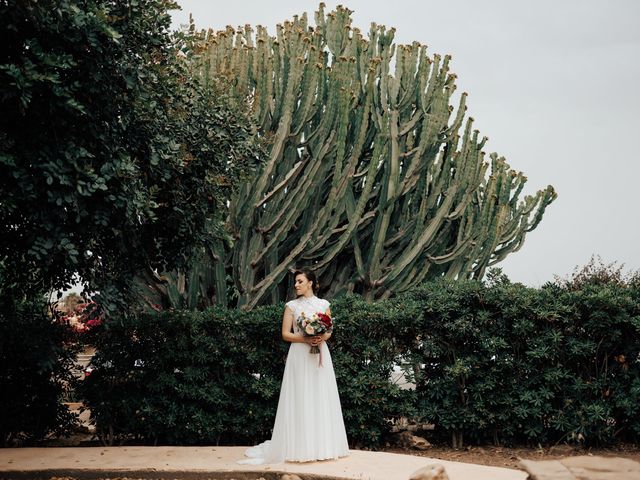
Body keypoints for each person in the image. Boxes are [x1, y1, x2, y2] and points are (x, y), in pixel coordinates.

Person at [238, 268, 350, 464]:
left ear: (310, 283)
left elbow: (329, 330)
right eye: (295, 282)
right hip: (299, 355)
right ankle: (299, 447)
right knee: (300, 396)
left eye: (300, 281)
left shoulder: (324, 304)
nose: (296, 285)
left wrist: (320, 336)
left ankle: (322, 446)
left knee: (320, 395)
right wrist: (305, 339)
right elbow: (285, 334)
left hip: (319, 354)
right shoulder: (291, 306)